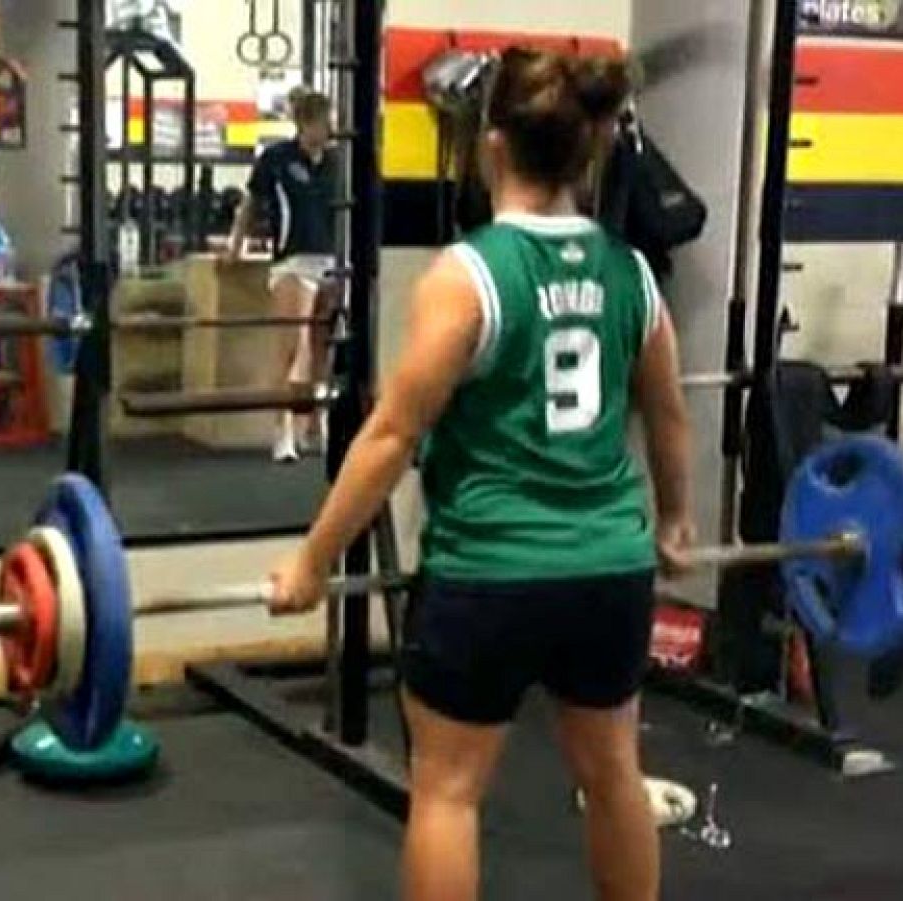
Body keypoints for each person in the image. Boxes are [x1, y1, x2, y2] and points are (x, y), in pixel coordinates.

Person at [267, 47, 695, 901]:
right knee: (614, 775)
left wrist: (313, 560)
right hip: (609, 570)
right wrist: (676, 521)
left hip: (489, 573)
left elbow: (391, 435)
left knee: (449, 792)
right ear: (595, 149)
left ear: (490, 146)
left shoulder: (467, 276)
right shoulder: (632, 274)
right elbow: (669, 414)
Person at [223, 86, 339, 463]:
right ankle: (283, 430)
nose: (329, 128)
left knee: (323, 347)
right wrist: (234, 245)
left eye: (330, 121)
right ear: (304, 124)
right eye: (323, 122)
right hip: (292, 261)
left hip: (331, 261)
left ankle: (315, 426)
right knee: (290, 348)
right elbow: (250, 204)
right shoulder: (276, 159)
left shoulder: (338, 162)